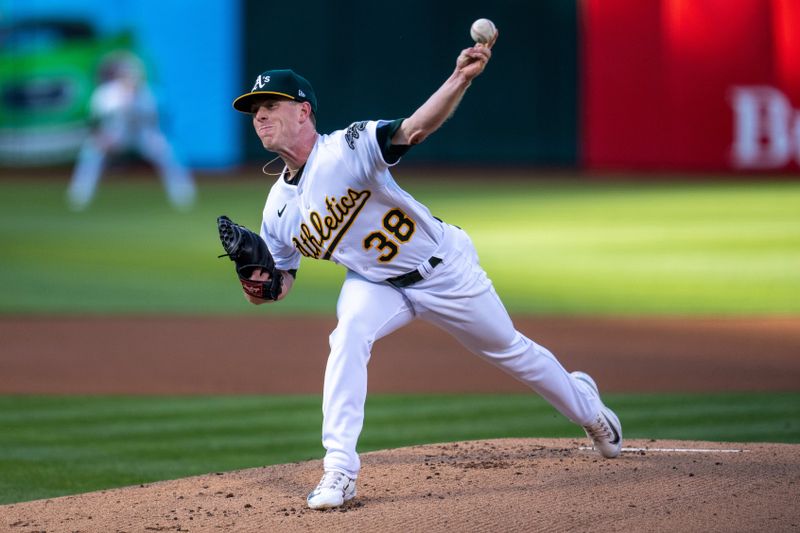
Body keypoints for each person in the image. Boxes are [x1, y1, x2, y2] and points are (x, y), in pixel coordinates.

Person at [231, 33, 622, 511]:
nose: (261, 116)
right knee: (348, 334)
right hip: (375, 283)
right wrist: (256, 278)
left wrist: (459, 77)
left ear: (304, 111)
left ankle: (590, 411)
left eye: (270, 104)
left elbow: (414, 129)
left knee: (509, 350)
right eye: (255, 110)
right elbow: (277, 285)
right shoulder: (276, 209)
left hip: (443, 269)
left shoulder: (347, 147)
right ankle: (339, 469)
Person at [67, 51, 196, 211]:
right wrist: (100, 137)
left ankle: (183, 197)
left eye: (135, 74)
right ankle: (79, 198)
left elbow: (160, 121)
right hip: (115, 134)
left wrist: (159, 139)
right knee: (91, 150)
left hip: (142, 134)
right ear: (119, 76)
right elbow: (93, 121)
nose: (132, 78)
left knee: (169, 151)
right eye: (127, 74)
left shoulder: (149, 94)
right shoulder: (106, 94)